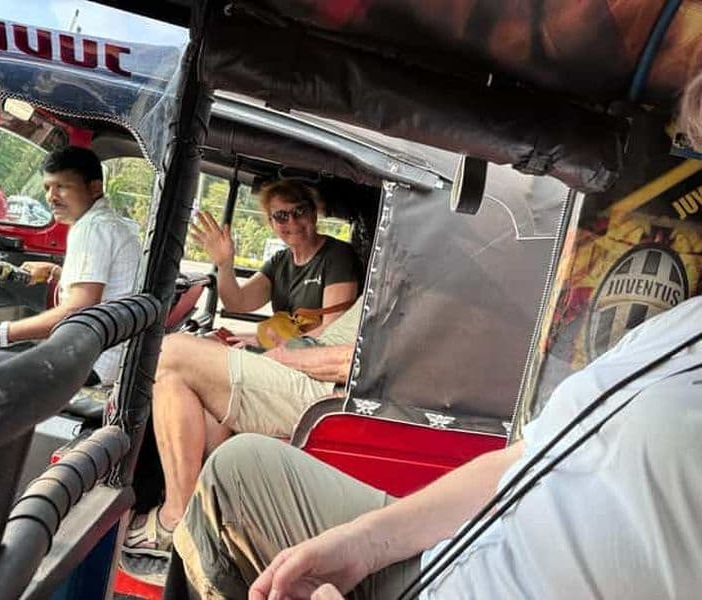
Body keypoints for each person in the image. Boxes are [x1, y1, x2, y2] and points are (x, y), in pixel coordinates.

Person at [169, 75, 702, 599]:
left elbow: (332, 348)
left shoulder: (336, 260)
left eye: (295, 213)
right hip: (459, 549)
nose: (288, 224)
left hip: (448, 545)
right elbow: (530, 455)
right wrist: (366, 543)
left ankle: (170, 516)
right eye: (278, 217)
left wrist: (275, 349)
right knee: (237, 467)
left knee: (172, 356)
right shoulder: (672, 329)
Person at [121, 297, 362, 565]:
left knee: (172, 355)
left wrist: (287, 357)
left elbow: (362, 362)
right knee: (201, 363)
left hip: (338, 395)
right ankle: (207, 513)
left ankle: (178, 519)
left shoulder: (413, 284)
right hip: (322, 369)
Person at [0, 146, 141, 387]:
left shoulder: (92, 228)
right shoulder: (112, 224)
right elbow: (102, 288)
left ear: (94, 188)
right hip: (110, 354)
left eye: (63, 187)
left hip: (93, 364)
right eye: (48, 187)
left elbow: (79, 308)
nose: (51, 197)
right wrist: (56, 272)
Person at [191, 179, 362, 341]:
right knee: (209, 340)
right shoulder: (280, 261)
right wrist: (224, 264)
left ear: (314, 214)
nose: (292, 221)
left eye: (300, 211)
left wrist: (266, 343)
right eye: (281, 216)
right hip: (286, 349)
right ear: (272, 223)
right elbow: (237, 303)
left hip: (310, 359)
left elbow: (332, 332)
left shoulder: (338, 255)